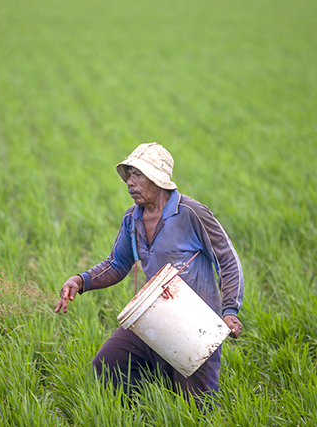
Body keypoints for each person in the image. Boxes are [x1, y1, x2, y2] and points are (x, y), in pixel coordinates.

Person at [55, 142, 244, 406]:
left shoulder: (191, 214)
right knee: (108, 365)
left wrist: (230, 310)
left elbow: (227, 260)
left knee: (194, 408)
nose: (130, 183)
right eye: (128, 175)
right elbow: (117, 264)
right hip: (154, 316)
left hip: (196, 325)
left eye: (138, 175)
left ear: (159, 181)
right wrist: (81, 281)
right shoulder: (132, 218)